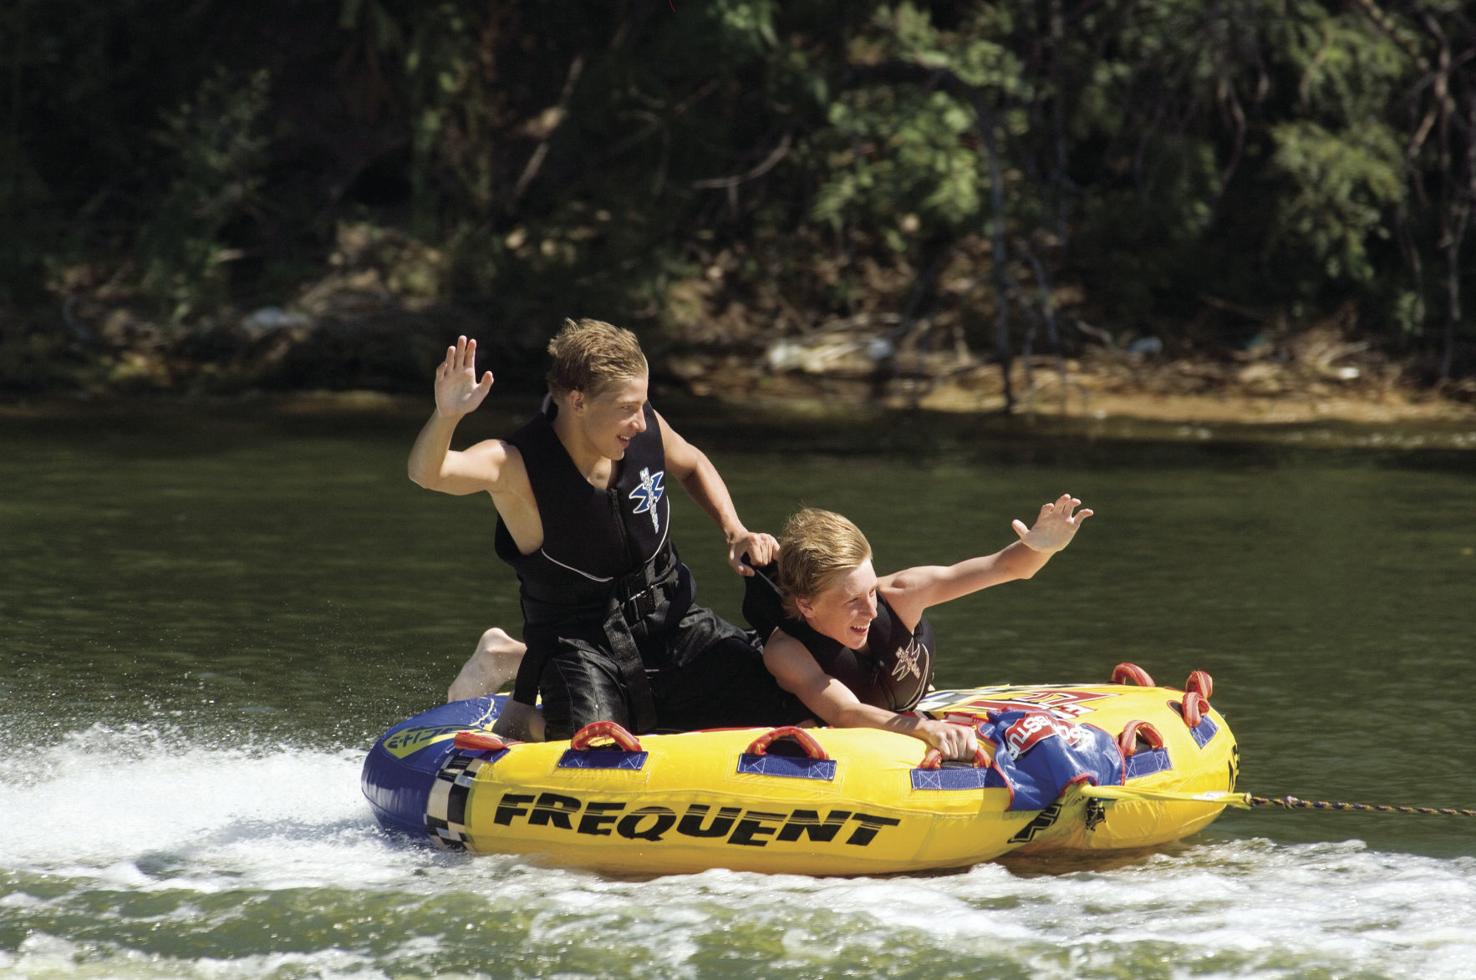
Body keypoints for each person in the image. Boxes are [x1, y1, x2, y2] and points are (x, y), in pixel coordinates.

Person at [408, 320, 807, 741]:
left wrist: (735, 529)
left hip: (671, 620)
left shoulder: (643, 426)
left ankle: (512, 657)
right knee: (597, 745)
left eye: (643, 404)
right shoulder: (514, 464)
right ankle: (524, 716)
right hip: (580, 642)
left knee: (779, 702)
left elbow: (692, 463)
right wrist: (446, 416)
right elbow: (429, 473)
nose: (640, 422)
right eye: (626, 407)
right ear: (578, 402)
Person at [743, 495, 1093, 760]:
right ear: (807, 605)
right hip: (835, 727)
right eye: (852, 601)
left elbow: (1005, 567)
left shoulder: (901, 594)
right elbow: (844, 712)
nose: (871, 610)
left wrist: (1039, 547)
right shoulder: (786, 651)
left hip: (917, 701)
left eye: (870, 591)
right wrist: (924, 729)